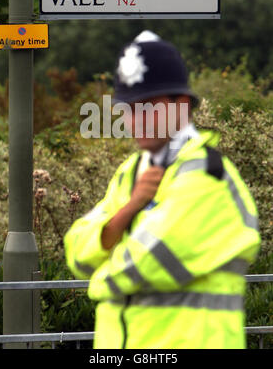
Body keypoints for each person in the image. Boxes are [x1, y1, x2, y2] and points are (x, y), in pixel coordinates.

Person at [64, 31, 260, 349]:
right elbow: (76, 252)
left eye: (147, 106)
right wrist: (131, 207)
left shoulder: (207, 173)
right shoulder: (131, 172)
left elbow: (151, 260)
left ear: (181, 105)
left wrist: (99, 277)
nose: (134, 119)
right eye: (128, 108)